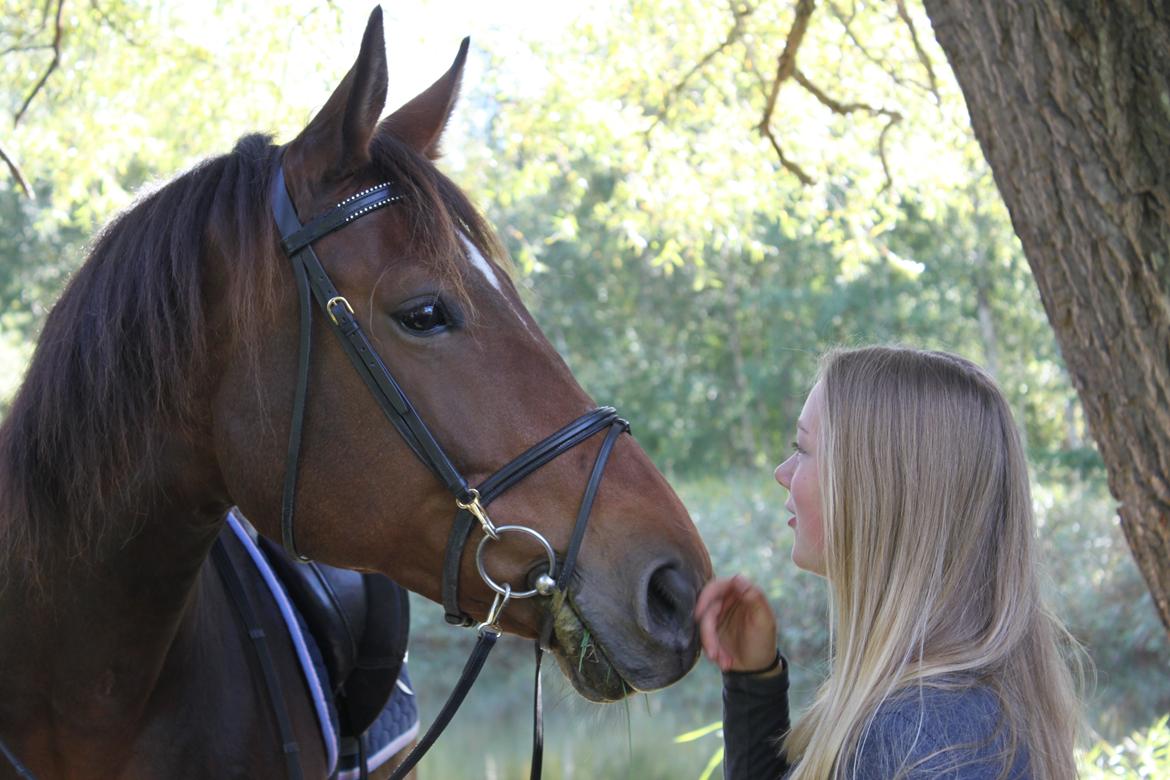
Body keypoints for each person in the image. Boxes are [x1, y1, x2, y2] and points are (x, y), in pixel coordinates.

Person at [694, 346, 1082, 779]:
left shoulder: (922, 739)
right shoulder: (939, 714)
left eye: (801, 449)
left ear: (874, 490)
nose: (782, 472)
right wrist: (754, 680)